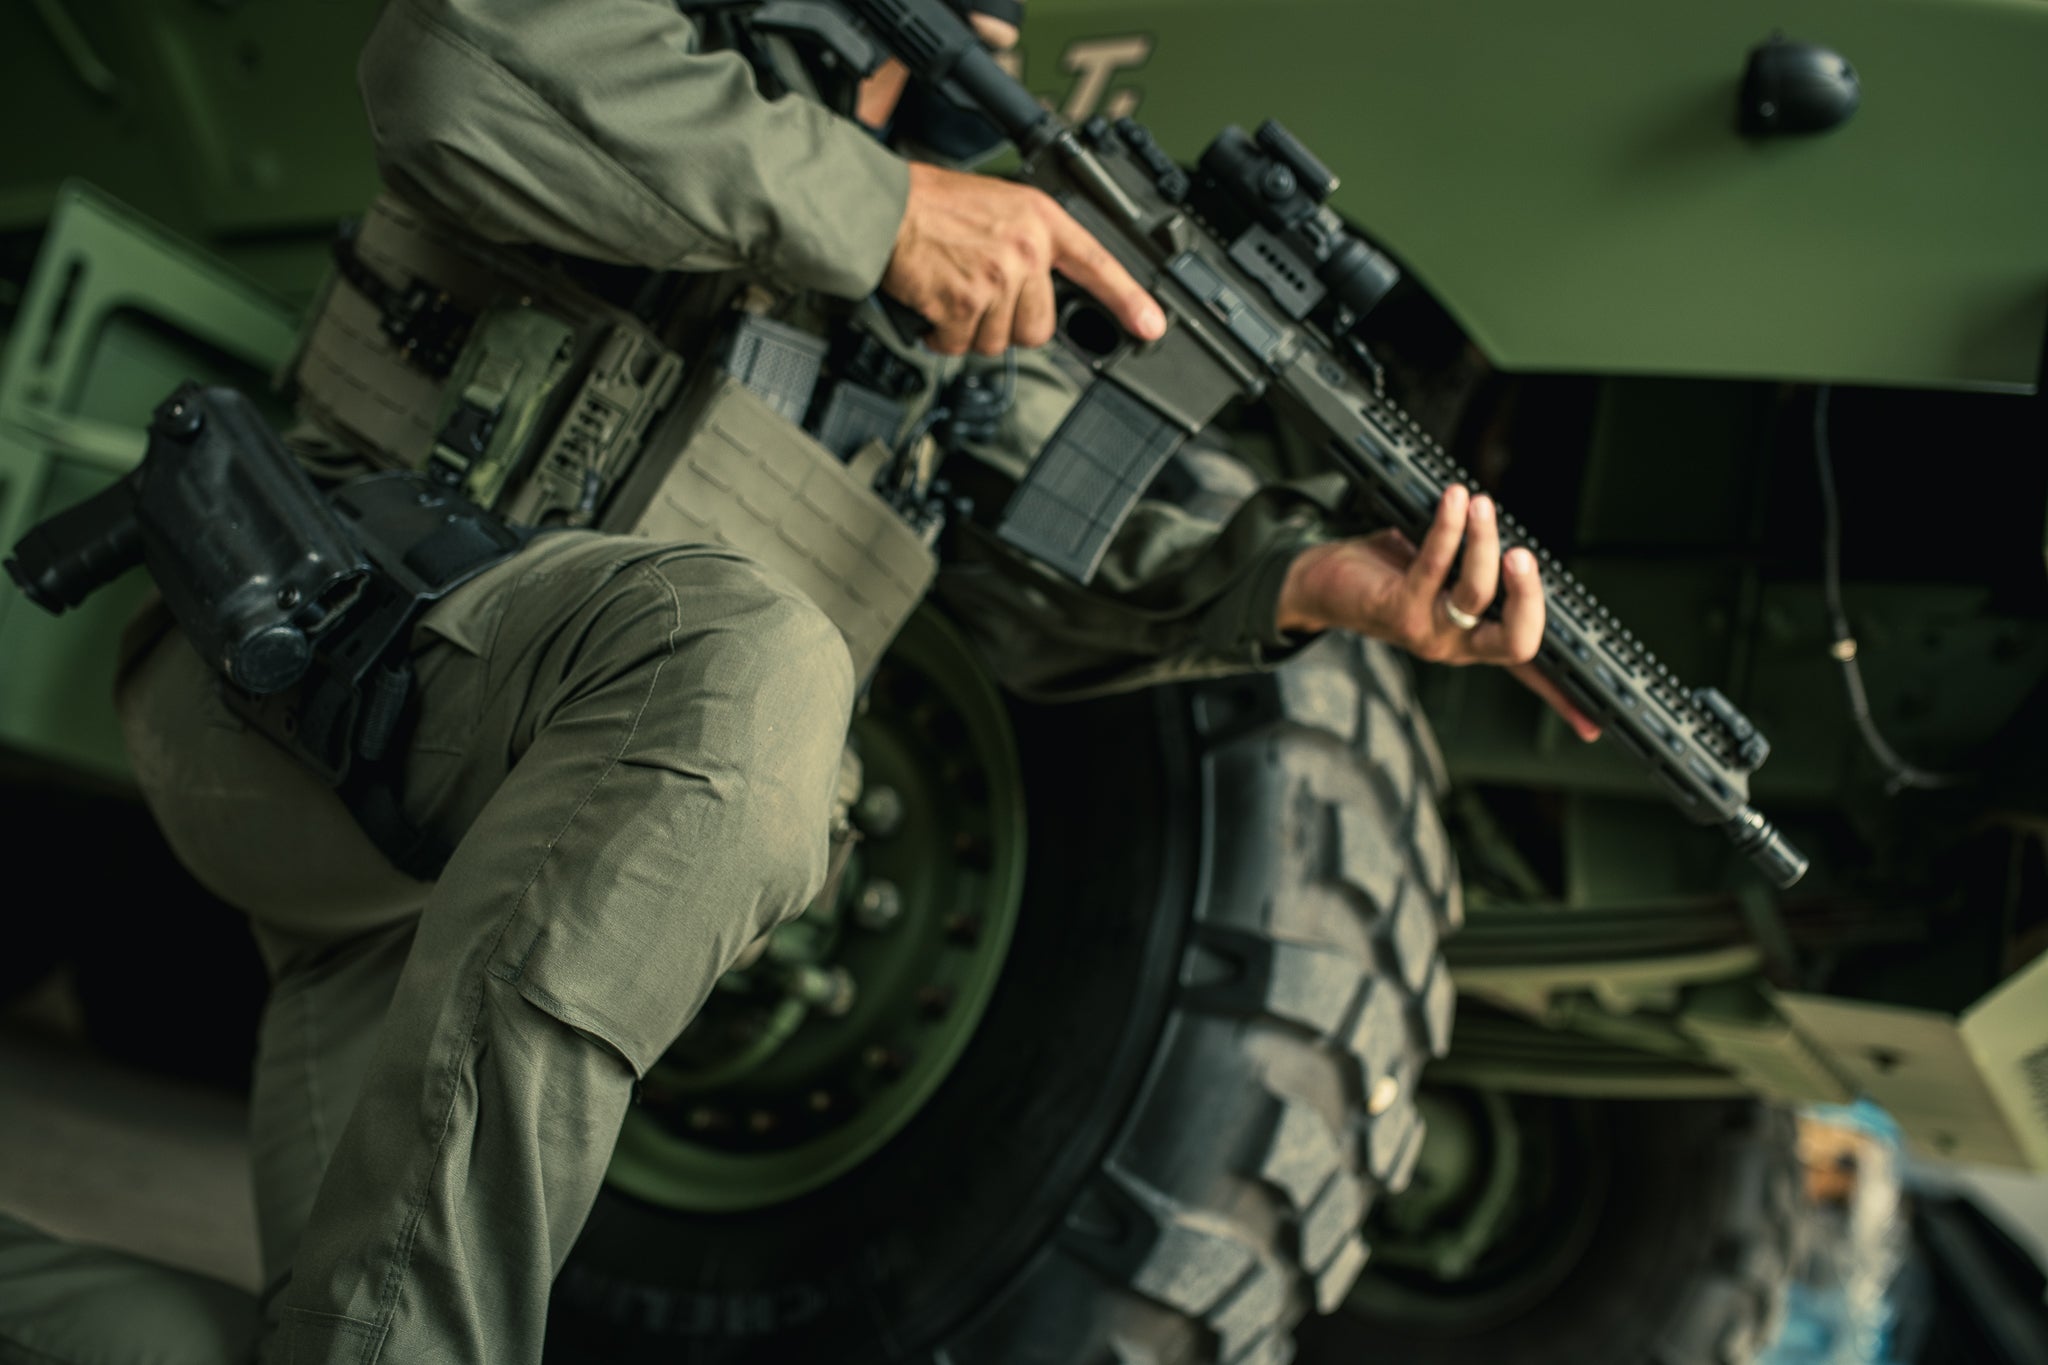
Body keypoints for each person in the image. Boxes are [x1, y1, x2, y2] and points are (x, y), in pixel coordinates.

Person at [0, 1, 1593, 1362]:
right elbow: (453, 68)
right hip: (324, 676)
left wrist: (1308, 584)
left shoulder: (958, 238)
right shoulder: (696, 56)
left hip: (470, 893)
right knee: (754, 664)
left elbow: (1056, 561)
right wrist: (882, 212)